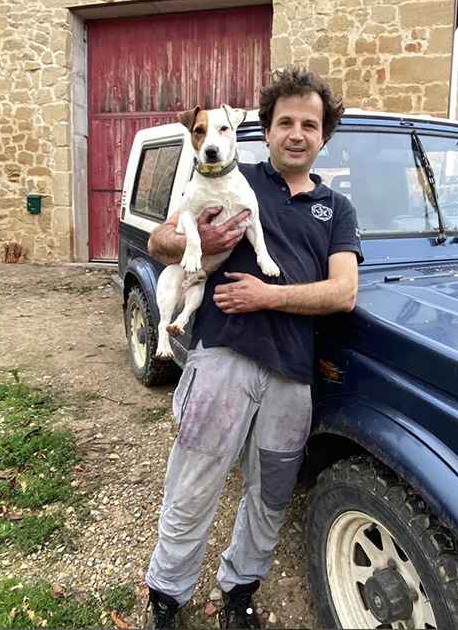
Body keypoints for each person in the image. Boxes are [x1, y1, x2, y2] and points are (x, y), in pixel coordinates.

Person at [145, 66, 363, 629]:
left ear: (324, 135)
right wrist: (197, 239)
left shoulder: (337, 210)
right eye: (285, 122)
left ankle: (239, 591)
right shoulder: (229, 175)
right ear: (264, 130)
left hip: (291, 376)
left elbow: (344, 292)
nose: (297, 133)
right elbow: (160, 239)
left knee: (270, 496)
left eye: (309, 124)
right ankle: (166, 597)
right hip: (222, 357)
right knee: (193, 486)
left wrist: (269, 296)